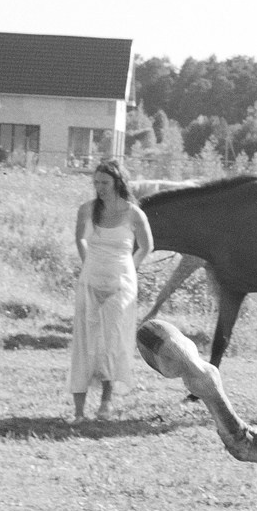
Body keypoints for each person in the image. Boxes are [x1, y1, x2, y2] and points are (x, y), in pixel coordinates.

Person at [70, 158, 153, 421]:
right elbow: (79, 238)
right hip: (90, 282)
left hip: (121, 284)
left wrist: (131, 267)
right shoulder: (87, 209)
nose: (99, 188)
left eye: (105, 182)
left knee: (111, 340)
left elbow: (146, 245)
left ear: (118, 182)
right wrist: (88, 263)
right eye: (96, 183)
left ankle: (105, 403)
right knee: (84, 342)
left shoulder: (133, 213)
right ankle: (79, 412)